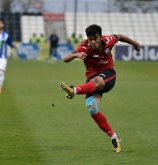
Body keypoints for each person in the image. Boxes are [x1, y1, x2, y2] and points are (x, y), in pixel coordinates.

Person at [60, 24, 140, 152]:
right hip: (91, 81)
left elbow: (119, 36)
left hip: (108, 75)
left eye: (95, 38)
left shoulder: (108, 40)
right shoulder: (84, 46)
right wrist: (76, 55)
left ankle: (74, 90)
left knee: (96, 81)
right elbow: (65, 59)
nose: (93, 41)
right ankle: (114, 137)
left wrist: (135, 44)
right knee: (92, 109)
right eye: (90, 39)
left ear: (100, 36)